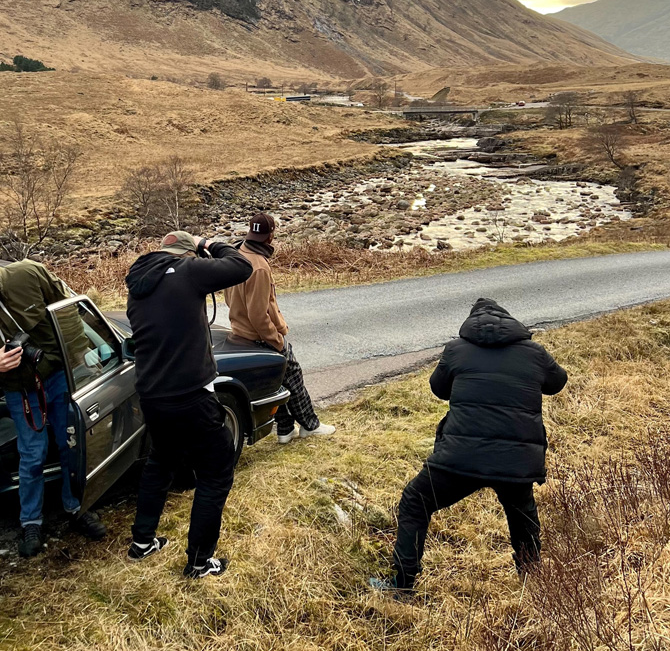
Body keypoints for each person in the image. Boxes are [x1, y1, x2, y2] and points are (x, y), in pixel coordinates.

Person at [372, 297, 568, 595]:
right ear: (509, 321)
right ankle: (533, 586)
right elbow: (557, 383)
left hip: (460, 458)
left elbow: (438, 389)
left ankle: (402, 584)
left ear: (471, 324)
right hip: (514, 459)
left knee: (416, 500)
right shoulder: (534, 353)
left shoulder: (456, 350)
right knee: (522, 515)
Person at [0, 244, 108, 558]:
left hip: (60, 377)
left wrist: (79, 362)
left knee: (71, 443)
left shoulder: (28, 274)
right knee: (32, 455)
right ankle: (31, 522)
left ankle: (77, 507)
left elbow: (69, 313)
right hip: (20, 391)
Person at [124, 230, 253, 578]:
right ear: (186, 254)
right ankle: (199, 561)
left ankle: (142, 541)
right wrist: (208, 244)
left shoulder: (138, 285)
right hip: (191, 396)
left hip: (152, 395)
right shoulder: (187, 270)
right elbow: (242, 266)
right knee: (215, 472)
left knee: (161, 461)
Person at [223, 212, 335, 444]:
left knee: (277, 380)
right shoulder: (260, 267)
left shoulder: (237, 254)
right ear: (270, 236)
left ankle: (284, 429)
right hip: (260, 335)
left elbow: (228, 297)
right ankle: (310, 426)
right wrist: (276, 340)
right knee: (293, 374)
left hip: (240, 331)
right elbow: (258, 314)